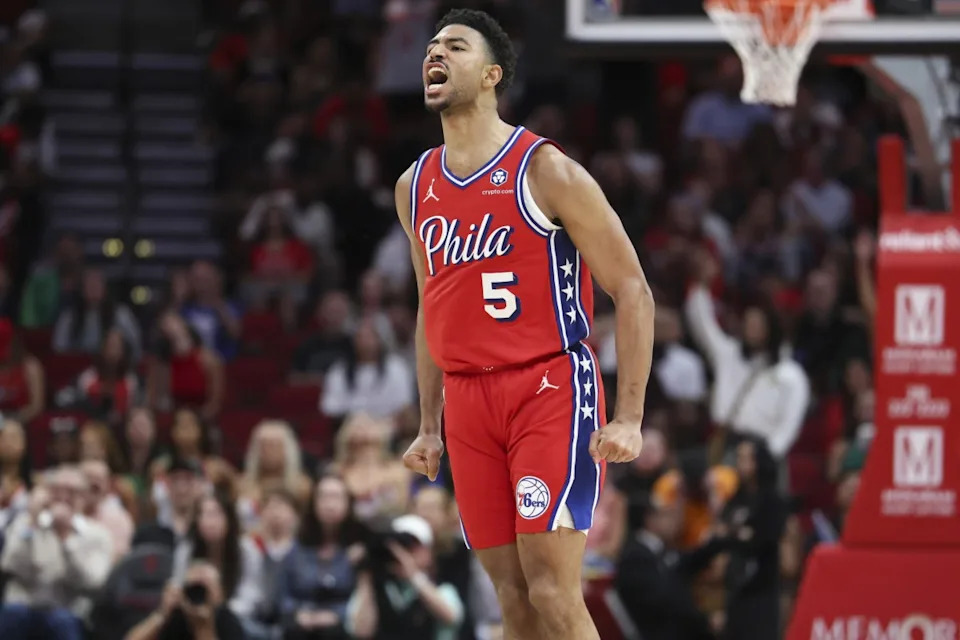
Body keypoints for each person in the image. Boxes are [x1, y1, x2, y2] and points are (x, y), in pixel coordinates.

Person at [398, 9, 655, 639]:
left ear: (491, 75)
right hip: (466, 400)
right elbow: (432, 307)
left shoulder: (545, 170)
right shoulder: (414, 185)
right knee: (511, 597)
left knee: (552, 590)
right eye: (432, 46)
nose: (436, 54)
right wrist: (428, 425)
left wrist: (628, 417)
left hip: (547, 387)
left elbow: (632, 288)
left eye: (454, 47)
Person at [0, 466, 114, 640]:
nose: (63, 497)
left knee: (62, 621)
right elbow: (9, 565)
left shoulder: (97, 534)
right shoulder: (26, 523)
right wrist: (32, 524)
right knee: (13, 613)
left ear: (84, 496)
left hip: (66, 611)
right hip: (23, 607)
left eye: (71, 492)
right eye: (56, 490)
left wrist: (65, 540)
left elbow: (94, 582)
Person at [347, 514, 464, 640]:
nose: (404, 552)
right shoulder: (377, 588)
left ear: (428, 552)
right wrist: (366, 574)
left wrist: (413, 575)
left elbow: (451, 617)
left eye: (413, 546)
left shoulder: (442, 589)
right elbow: (361, 631)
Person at [124, 560, 247, 640]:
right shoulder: (175, 616)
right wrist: (162, 614)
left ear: (220, 594)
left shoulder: (228, 621)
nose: (199, 594)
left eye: (205, 588)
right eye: (194, 587)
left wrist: (203, 628)